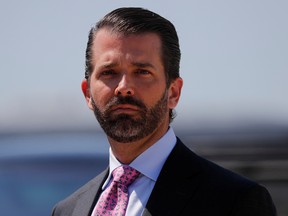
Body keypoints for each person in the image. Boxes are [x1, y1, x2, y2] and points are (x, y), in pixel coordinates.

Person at [52, 7, 276, 216]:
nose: (124, 87)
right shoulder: (68, 210)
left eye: (142, 71)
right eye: (109, 72)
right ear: (88, 93)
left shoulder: (235, 201)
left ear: (173, 92)